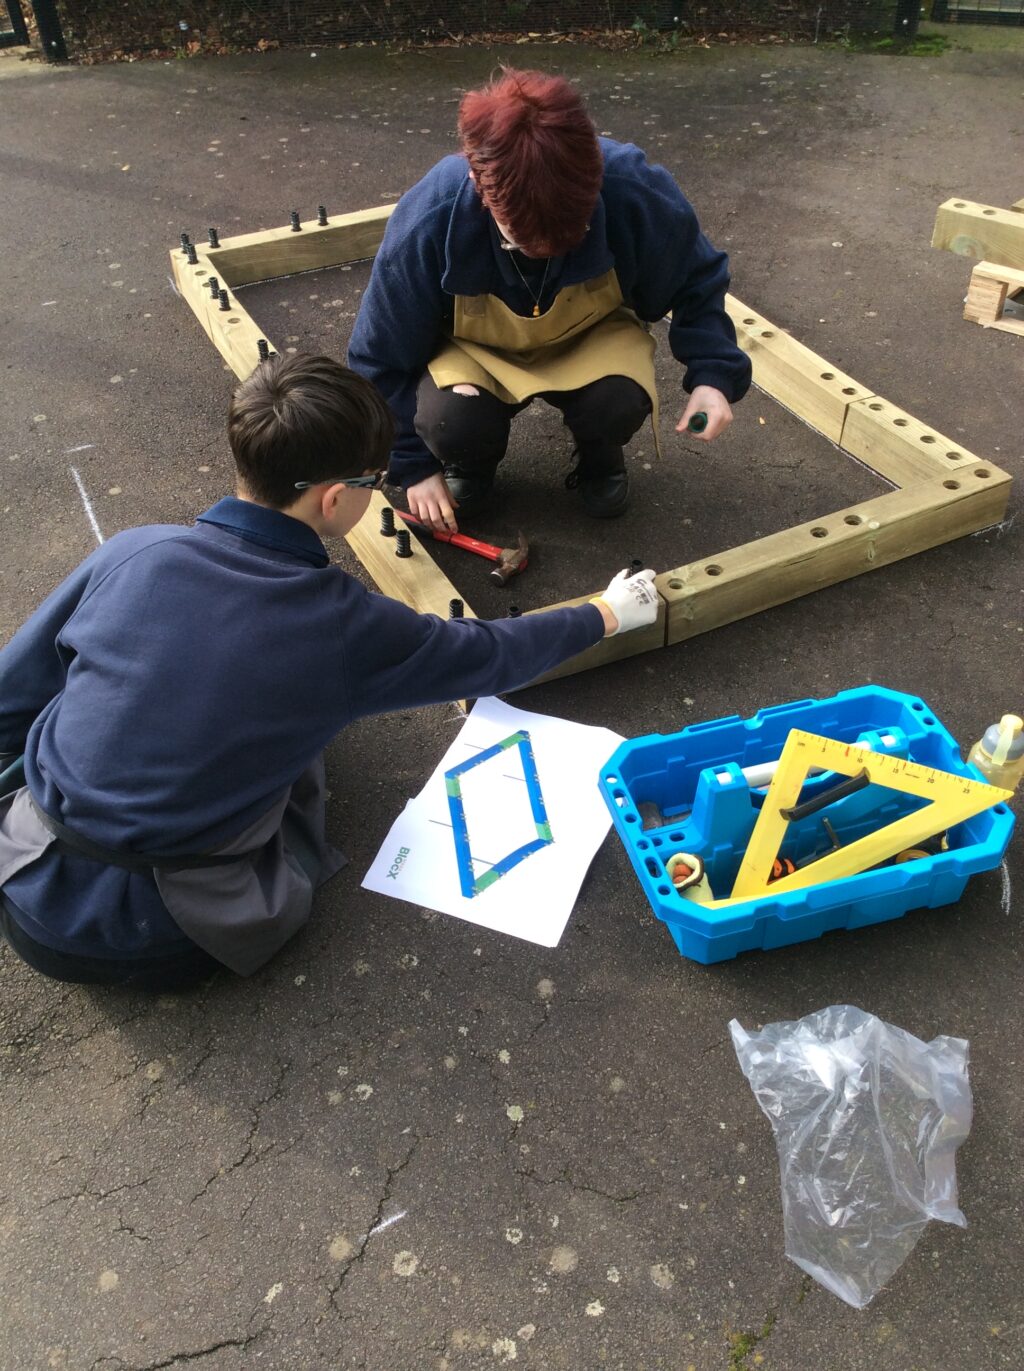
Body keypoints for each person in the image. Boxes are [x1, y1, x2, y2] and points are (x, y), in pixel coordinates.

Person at [0, 355, 659, 991]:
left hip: (23, 874)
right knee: (308, 749)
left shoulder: (135, 551)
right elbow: (487, 653)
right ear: (337, 497)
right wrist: (606, 611)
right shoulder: (344, 626)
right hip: (169, 930)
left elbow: (14, 695)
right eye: (375, 484)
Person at [347, 67, 751, 534]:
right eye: (520, 242)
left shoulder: (633, 188)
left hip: (592, 336)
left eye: (571, 236)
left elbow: (697, 276)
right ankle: (469, 464)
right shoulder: (432, 216)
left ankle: (600, 454)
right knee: (451, 421)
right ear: (481, 188)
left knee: (617, 401)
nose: (544, 253)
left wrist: (714, 374)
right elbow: (375, 358)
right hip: (478, 353)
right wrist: (412, 466)